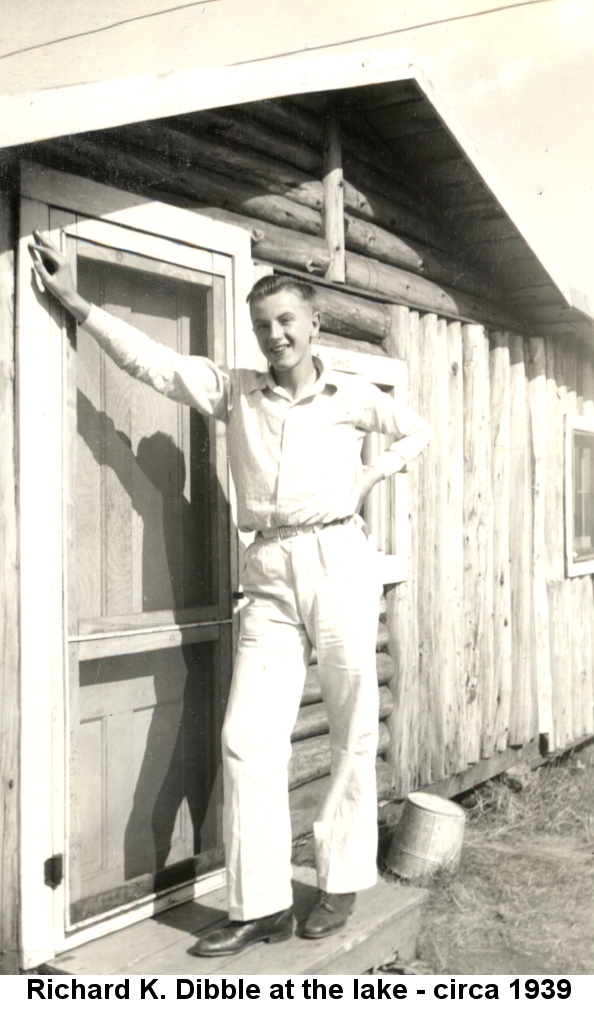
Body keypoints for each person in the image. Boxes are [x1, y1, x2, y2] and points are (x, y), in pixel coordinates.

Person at [29, 231, 433, 956]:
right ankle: (261, 903)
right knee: (246, 737)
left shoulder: (350, 397)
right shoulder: (237, 392)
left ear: (313, 324)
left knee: (351, 724)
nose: (274, 334)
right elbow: (152, 363)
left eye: (285, 320)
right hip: (268, 570)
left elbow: (417, 429)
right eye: (262, 325)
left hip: (340, 556)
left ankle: (339, 879)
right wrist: (76, 301)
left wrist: (371, 478)